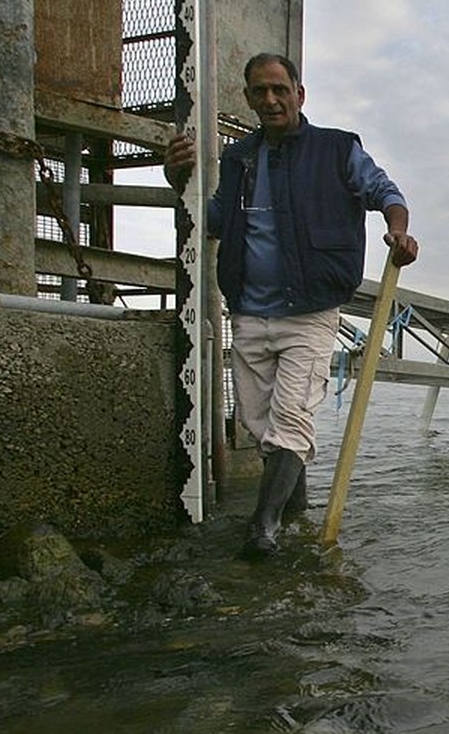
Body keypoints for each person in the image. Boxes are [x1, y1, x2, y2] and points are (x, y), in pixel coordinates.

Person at [164, 52, 419, 556]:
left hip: (310, 312)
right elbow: (212, 221)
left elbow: (385, 190)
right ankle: (294, 516)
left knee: (291, 420)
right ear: (249, 99)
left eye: (281, 89)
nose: (271, 99)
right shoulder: (239, 159)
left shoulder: (337, 149)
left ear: (300, 94)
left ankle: (262, 527)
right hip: (249, 312)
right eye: (260, 91)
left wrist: (398, 230)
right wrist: (180, 181)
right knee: (260, 427)